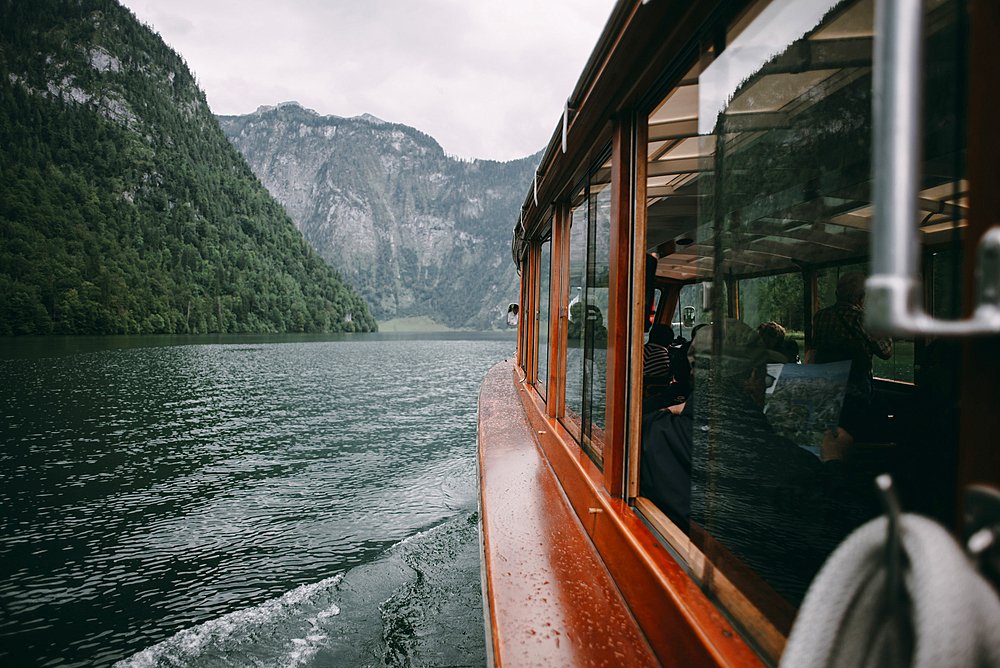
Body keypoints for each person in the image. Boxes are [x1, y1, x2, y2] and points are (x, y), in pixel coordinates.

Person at [810, 272, 893, 438]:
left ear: (837, 294)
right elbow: (886, 352)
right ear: (861, 297)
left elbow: (814, 349)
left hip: (825, 387)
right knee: (855, 432)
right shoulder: (864, 318)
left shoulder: (821, 316)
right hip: (855, 389)